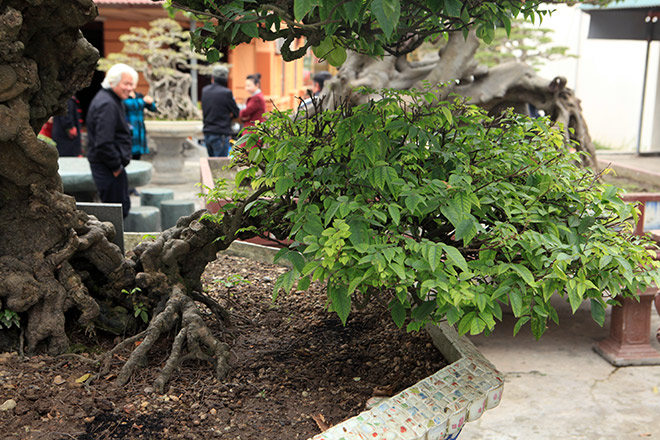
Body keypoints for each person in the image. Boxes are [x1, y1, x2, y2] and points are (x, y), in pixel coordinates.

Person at [86, 63, 136, 218]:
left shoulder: (112, 100)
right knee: (115, 215)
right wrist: (116, 167)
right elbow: (103, 142)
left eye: (131, 84)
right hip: (108, 167)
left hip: (111, 166)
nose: (130, 88)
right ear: (113, 82)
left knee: (119, 210)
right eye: (126, 84)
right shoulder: (107, 104)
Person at [201, 64, 240, 157]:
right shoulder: (226, 93)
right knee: (220, 164)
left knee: (211, 162)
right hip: (221, 133)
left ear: (213, 78)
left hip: (207, 132)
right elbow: (236, 112)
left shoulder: (205, 91)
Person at [124, 89, 156, 160]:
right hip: (128, 129)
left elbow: (153, 108)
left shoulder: (139, 96)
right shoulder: (123, 96)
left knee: (137, 156)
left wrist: (150, 102)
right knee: (127, 154)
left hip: (139, 130)